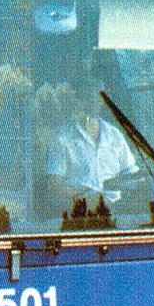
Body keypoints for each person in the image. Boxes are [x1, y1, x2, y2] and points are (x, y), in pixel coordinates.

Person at [42, 80, 138, 213]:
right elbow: (54, 188)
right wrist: (88, 201)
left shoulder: (115, 135)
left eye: (98, 96)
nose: (93, 100)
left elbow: (132, 176)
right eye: (87, 95)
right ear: (78, 98)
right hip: (81, 217)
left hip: (119, 216)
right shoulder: (62, 138)